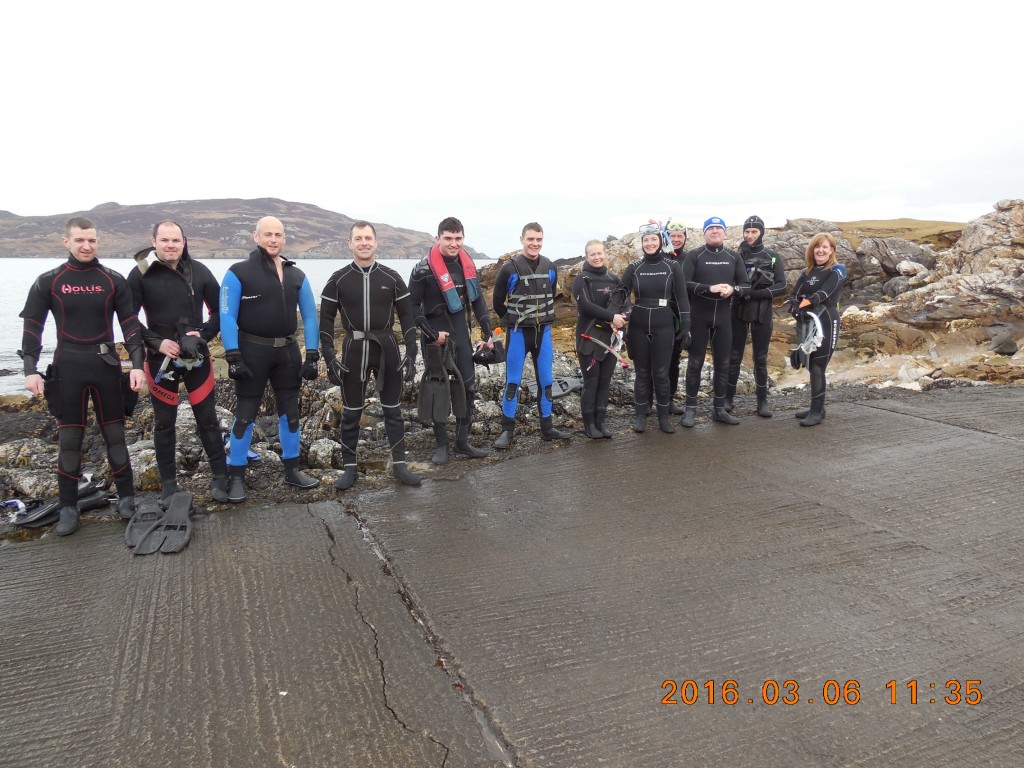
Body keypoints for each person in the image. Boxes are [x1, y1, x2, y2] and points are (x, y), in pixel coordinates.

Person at [19, 217, 146, 535]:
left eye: (91, 240)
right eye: (80, 241)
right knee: (70, 439)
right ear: (67, 242)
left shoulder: (112, 279)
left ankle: (127, 498)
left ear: (97, 241)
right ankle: (68, 508)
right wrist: (30, 370)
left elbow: (130, 326)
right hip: (68, 367)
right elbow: (33, 326)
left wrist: (138, 366)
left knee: (115, 435)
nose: (86, 246)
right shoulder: (50, 281)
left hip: (105, 365)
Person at [219, 216, 320, 502]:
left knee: (291, 411)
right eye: (267, 235)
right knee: (245, 413)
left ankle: (292, 470)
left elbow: (310, 315)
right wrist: (232, 355)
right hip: (252, 351)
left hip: (287, 352)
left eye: (278, 235)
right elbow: (226, 315)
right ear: (256, 237)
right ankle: (236, 475)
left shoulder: (296, 275)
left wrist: (312, 353)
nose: (273, 239)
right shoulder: (238, 272)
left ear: (284, 238)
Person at [128, 221, 228, 506]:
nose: (171, 245)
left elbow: (221, 310)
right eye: (165, 240)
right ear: (154, 241)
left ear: (184, 241)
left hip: (196, 356)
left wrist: (205, 335)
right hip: (161, 358)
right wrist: (157, 342)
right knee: (163, 424)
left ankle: (220, 477)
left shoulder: (200, 271)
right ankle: (169, 486)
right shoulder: (140, 275)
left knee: (207, 419)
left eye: (176, 240)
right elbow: (128, 318)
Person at [319, 221, 421, 489]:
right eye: (358, 238)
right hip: (354, 349)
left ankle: (400, 465)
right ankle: (349, 468)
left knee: (393, 411)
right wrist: (328, 355)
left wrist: (411, 350)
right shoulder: (338, 280)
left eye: (368, 238)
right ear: (349, 243)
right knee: (351, 412)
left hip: (386, 347)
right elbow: (326, 321)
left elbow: (408, 316)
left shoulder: (391, 277)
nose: (364, 242)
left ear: (376, 242)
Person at [409, 217, 492, 464]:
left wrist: (487, 331)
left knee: (467, 388)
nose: (454, 243)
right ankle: (442, 445)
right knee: (439, 391)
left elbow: (477, 301)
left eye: (458, 238)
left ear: (463, 238)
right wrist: (431, 334)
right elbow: (410, 306)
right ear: (438, 238)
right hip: (435, 338)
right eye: (448, 238)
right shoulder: (422, 269)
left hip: (461, 336)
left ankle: (463, 442)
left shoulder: (467, 265)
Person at [491, 222, 571, 448]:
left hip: (543, 332)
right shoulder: (509, 268)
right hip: (518, 334)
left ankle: (547, 428)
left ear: (542, 240)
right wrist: (513, 319)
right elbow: (498, 302)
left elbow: (551, 294)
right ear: (522, 239)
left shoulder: (551, 267)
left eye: (538, 239)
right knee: (513, 382)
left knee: (546, 381)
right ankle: (507, 430)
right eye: (530, 239)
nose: (534, 243)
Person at [620, 223, 690, 434]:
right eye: (645, 240)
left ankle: (663, 417)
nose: (649, 243)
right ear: (641, 243)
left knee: (661, 373)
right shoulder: (634, 267)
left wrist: (685, 326)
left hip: (664, 323)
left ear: (661, 241)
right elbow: (621, 296)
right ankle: (640, 415)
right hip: (638, 323)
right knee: (642, 373)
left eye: (653, 239)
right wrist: (622, 327)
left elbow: (682, 298)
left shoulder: (672, 266)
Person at [681, 217, 749, 427]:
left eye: (719, 228)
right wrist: (708, 288)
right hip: (699, 316)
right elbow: (684, 284)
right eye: (710, 228)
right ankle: (690, 409)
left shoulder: (733, 256)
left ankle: (719, 409)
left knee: (724, 363)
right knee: (695, 363)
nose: (715, 231)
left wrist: (733, 290)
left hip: (723, 317)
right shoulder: (695, 255)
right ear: (704, 233)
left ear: (725, 232)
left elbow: (745, 285)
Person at [725, 215, 789, 418]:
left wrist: (759, 294)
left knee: (760, 358)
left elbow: (782, 285)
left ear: (761, 232)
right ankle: (728, 399)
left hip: (763, 310)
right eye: (747, 231)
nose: (750, 235)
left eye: (754, 231)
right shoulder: (736, 256)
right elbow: (728, 282)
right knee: (734, 356)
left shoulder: (773, 256)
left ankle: (762, 401)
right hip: (738, 309)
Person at [572, 240, 627, 438]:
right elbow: (586, 305)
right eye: (592, 254)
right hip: (588, 337)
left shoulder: (614, 279)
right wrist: (611, 317)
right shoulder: (582, 279)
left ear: (605, 254)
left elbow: (626, 303)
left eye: (599, 253)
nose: (597, 257)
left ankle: (600, 422)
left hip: (611, 337)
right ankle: (589, 425)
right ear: (586, 256)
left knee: (605, 380)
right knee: (592, 380)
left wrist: (623, 320)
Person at [789, 232, 844, 426]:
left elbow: (825, 293)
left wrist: (805, 302)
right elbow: (794, 294)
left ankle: (816, 412)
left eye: (825, 247)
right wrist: (794, 306)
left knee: (818, 366)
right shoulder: (807, 272)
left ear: (832, 250)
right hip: (809, 322)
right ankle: (818, 408)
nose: (820, 250)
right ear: (812, 250)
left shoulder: (838, 269)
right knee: (810, 363)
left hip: (827, 320)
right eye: (817, 247)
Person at [664, 220, 689, 414]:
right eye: (672, 236)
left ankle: (669, 400)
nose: (676, 239)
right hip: (657, 316)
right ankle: (647, 401)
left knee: (674, 360)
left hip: (679, 316)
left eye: (680, 236)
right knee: (651, 361)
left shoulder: (690, 260)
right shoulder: (657, 257)